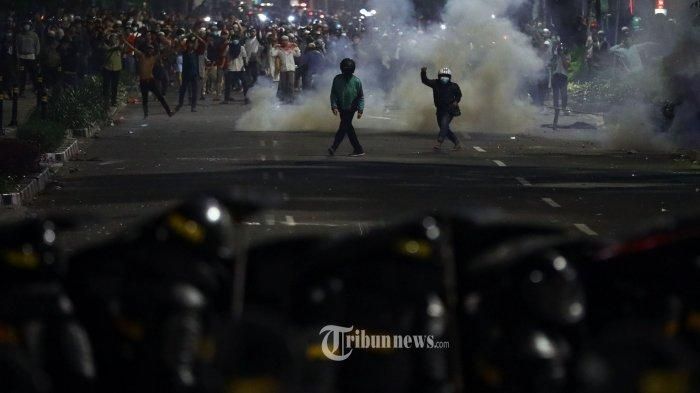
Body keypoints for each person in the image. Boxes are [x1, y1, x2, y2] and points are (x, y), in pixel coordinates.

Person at [123, 40, 173, 118]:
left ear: (153, 51)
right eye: (148, 49)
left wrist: (169, 45)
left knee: (160, 97)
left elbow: (164, 53)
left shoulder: (153, 58)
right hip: (143, 81)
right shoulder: (142, 56)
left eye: (151, 49)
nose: (150, 51)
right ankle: (146, 114)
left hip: (150, 80)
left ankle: (168, 111)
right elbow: (132, 48)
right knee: (145, 98)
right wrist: (124, 41)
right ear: (146, 50)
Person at [328, 58, 365, 157]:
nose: (347, 74)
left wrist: (360, 109)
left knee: (343, 127)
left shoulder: (357, 81)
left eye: (349, 71)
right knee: (349, 128)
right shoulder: (337, 79)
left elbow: (360, 96)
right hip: (341, 107)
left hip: (351, 107)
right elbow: (334, 94)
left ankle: (334, 147)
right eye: (345, 71)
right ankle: (358, 149)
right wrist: (334, 106)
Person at [421, 66, 463, 151]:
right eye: (443, 76)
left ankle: (438, 143)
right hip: (440, 110)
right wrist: (423, 72)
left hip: (450, 110)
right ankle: (457, 142)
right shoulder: (435, 84)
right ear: (439, 77)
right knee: (444, 128)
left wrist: (456, 101)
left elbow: (459, 95)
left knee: (444, 125)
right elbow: (425, 80)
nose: (445, 78)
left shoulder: (454, 86)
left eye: (446, 77)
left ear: (450, 77)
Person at [271, 35, 300, 103]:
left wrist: (296, 47)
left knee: (291, 84)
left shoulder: (292, 48)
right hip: (283, 69)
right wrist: (274, 47)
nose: (284, 41)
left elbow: (298, 55)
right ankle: (283, 98)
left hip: (291, 69)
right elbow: (272, 54)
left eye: (286, 40)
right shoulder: (279, 49)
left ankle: (291, 98)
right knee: (283, 84)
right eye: (283, 40)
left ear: (288, 40)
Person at [15, 22, 40, 97]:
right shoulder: (19, 36)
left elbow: (37, 45)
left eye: (27, 25)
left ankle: (36, 88)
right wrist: (17, 56)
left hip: (31, 57)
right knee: (22, 75)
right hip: (22, 57)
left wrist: (36, 55)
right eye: (25, 25)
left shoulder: (34, 35)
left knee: (34, 74)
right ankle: (21, 90)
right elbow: (17, 46)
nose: (26, 26)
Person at [222, 35, 249, 104]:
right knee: (228, 84)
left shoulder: (241, 47)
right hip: (231, 67)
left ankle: (246, 97)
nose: (235, 40)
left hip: (240, 68)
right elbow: (224, 55)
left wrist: (245, 65)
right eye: (234, 39)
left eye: (236, 39)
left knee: (244, 83)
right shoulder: (229, 47)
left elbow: (244, 57)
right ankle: (226, 99)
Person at [177, 37, 199, 113]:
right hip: (186, 74)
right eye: (189, 43)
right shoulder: (185, 51)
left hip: (194, 74)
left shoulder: (195, 52)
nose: (191, 44)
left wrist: (195, 36)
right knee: (183, 89)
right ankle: (180, 103)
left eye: (191, 43)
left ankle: (193, 106)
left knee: (194, 91)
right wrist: (184, 37)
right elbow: (180, 43)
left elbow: (197, 44)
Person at [550, 42, 571, 121]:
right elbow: (552, 63)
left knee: (564, 94)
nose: (560, 50)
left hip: (563, 76)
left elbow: (566, 66)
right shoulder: (555, 56)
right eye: (560, 48)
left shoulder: (567, 55)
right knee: (555, 95)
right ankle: (556, 109)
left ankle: (564, 108)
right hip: (556, 76)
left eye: (561, 48)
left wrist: (562, 55)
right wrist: (556, 50)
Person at [101, 33, 122, 107]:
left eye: (115, 38)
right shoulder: (105, 46)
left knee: (114, 86)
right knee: (106, 86)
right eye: (112, 38)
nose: (114, 39)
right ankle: (105, 102)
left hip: (117, 68)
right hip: (107, 68)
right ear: (109, 39)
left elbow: (122, 47)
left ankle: (113, 101)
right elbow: (110, 49)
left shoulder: (119, 46)